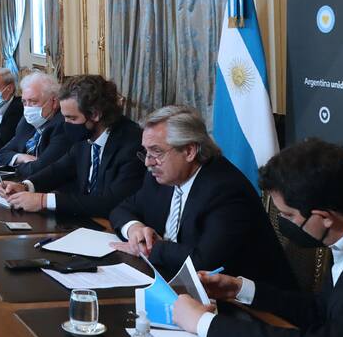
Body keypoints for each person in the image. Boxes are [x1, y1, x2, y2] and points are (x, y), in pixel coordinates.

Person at [172, 138, 343, 337]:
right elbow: (321, 310)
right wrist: (240, 290)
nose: (283, 223)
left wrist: (205, 324)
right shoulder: (342, 244)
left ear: (324, 218)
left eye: (288, 216)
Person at [108, 105, 295, 287]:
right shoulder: (161, 176)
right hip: (176, 281)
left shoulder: (226, 190)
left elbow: (204, 262)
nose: (148, 162)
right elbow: (122, 209)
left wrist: (150, 246)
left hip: (246, 300)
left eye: (156, 152)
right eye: (146, 152)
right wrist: (135, 229)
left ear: (189, 151)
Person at [0, 74, 143, 217]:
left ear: (95, 114)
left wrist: (43, 200)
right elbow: (60, 169)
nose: (66, 124)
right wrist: (26, 186)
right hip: (84, 219)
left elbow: (111, 202)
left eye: (72, 118)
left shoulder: (131, 143)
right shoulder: (86, 135)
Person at [0, 71, 70, 178]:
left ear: (54, 102)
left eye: (33, 102)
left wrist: (16, 167)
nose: (28, 108)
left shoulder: (62, 125)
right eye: (24, 102)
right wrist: (20, 157)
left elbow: (38, 169)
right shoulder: (26, 123)